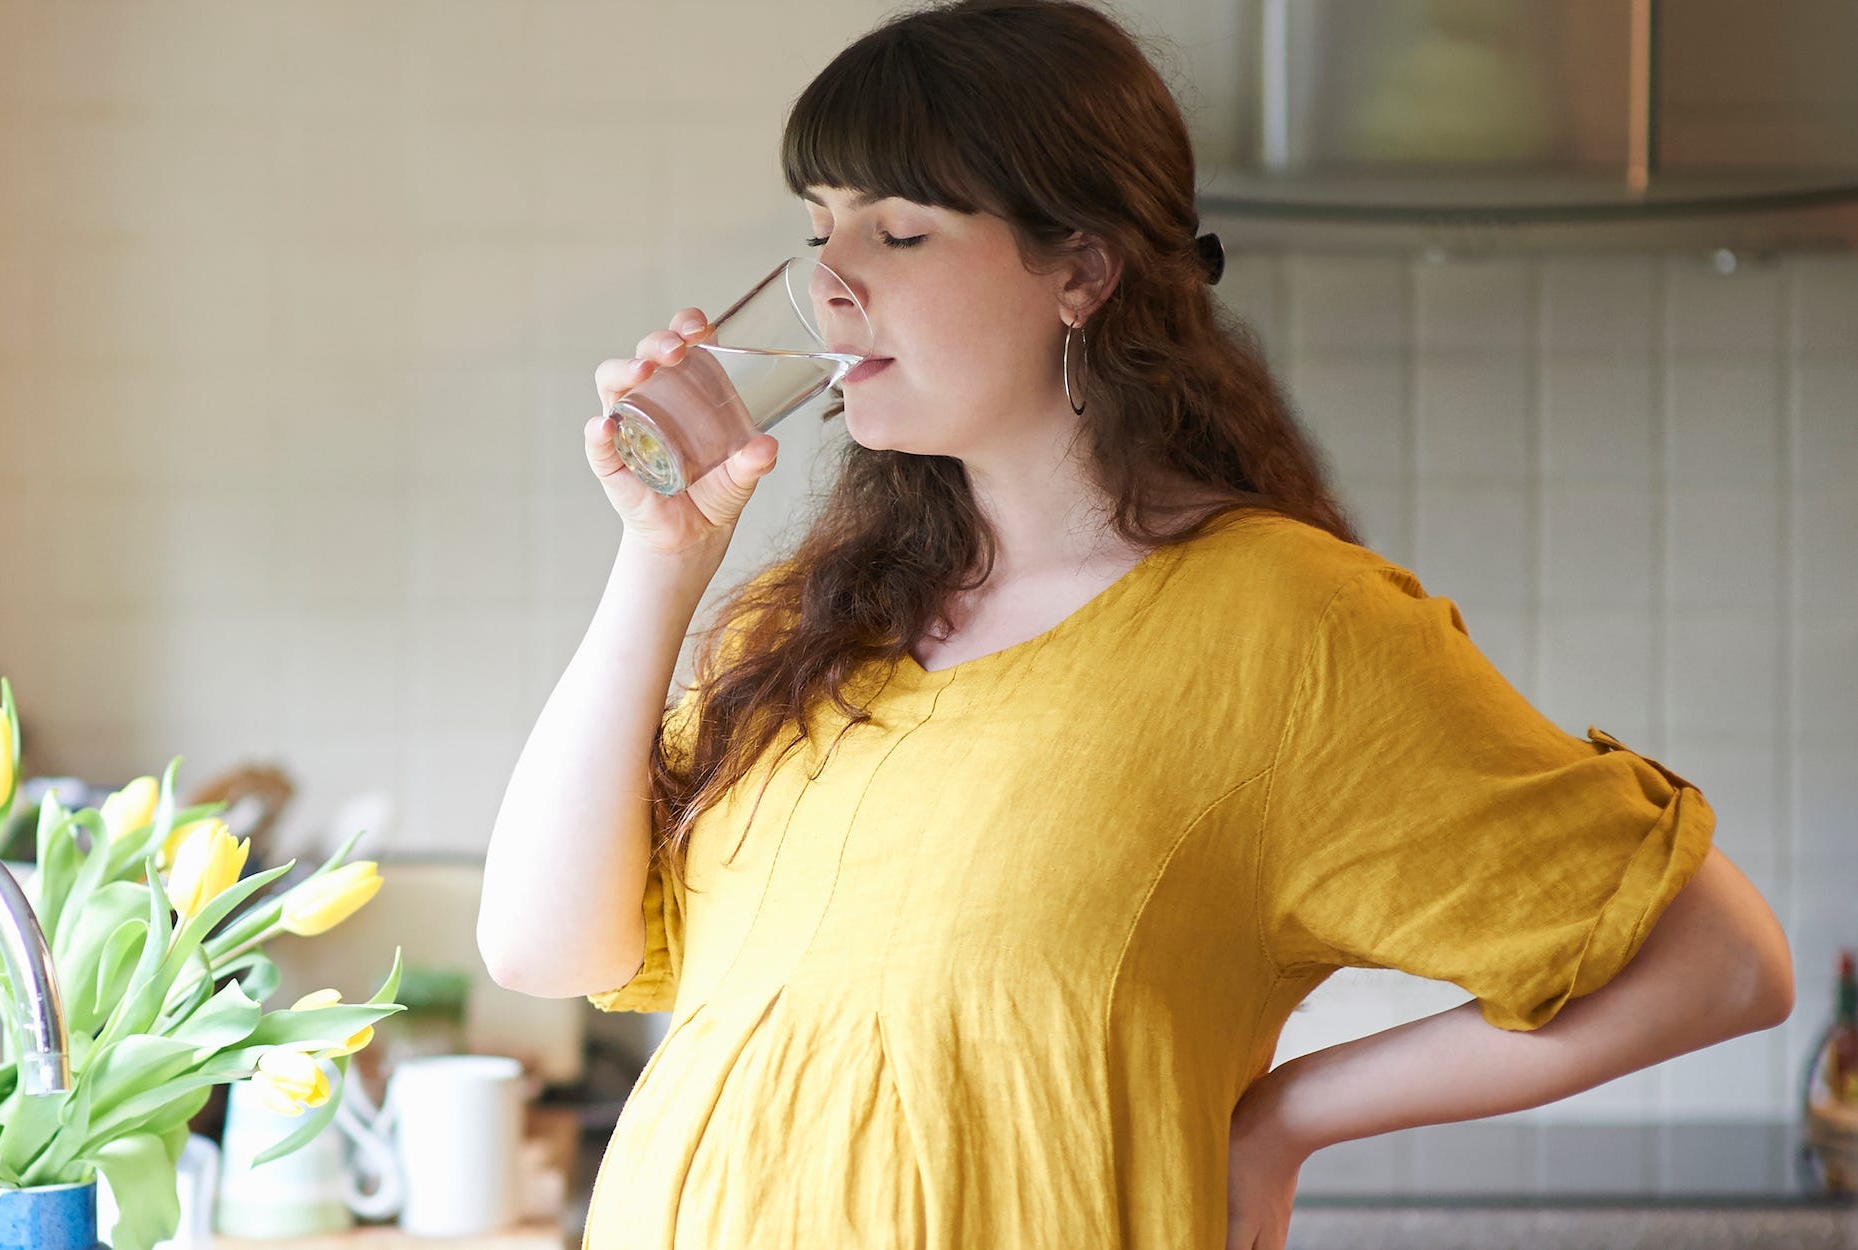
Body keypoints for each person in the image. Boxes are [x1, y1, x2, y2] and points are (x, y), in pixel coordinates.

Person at [476, 2, 1794, 1247]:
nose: (826, 281)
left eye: (899, 232)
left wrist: (1287, 1118)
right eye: (820, 227)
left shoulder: (1283, 630)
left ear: (1080, 271)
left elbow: (1722, 964)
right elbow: (543, 946)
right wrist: (662, 560)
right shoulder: (807, 626)